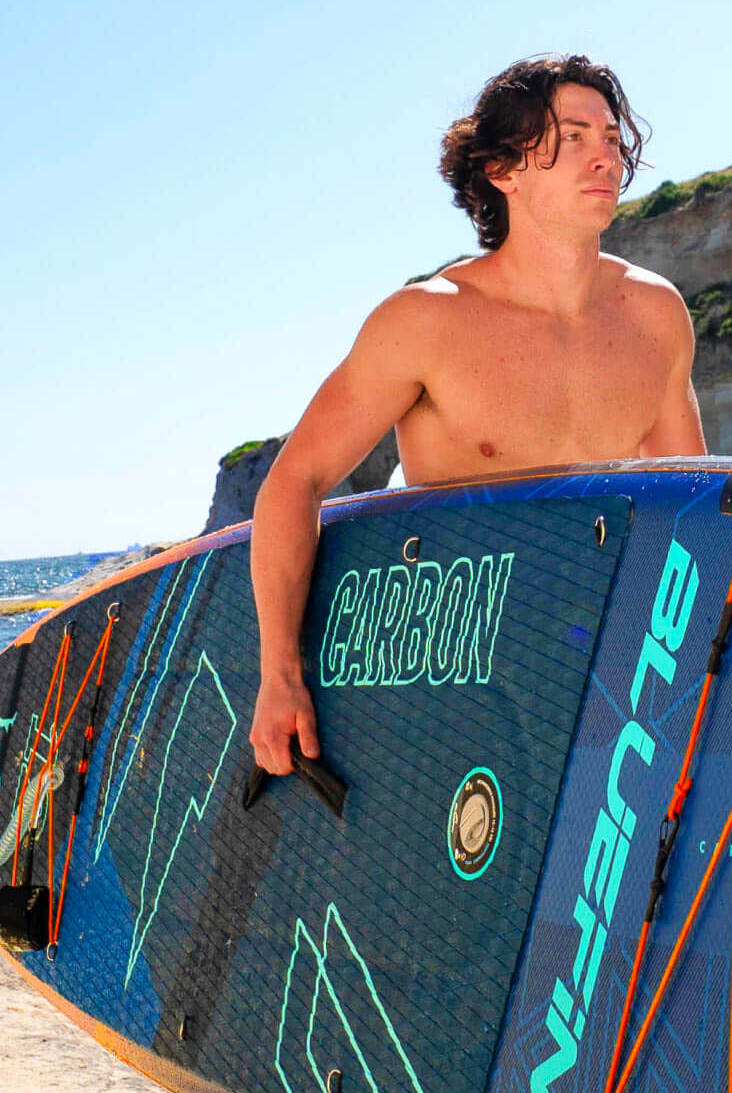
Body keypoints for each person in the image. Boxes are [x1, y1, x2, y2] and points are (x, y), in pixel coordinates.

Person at [250, 53, 706, 775]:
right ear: (503, 169)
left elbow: (692, 504)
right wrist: (279, 674)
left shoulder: (654, 316)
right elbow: (296, 480)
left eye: (612, 138)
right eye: (574, 136)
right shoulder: (426, 322)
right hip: (449, 672)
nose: (605, 157)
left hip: (590, 651)